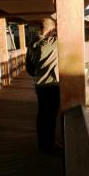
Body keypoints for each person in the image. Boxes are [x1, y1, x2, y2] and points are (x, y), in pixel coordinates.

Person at [26, 18, 60, 153]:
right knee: (51, 117)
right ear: (52, 29)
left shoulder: (32, 44)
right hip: (52, 84)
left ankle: (42, 144)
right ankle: (49, 145)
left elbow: (29, 69)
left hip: (39, 85)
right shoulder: (54, 43)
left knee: (42, 115)